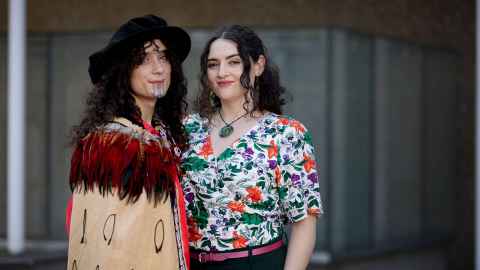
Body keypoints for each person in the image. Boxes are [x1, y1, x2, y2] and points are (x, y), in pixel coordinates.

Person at [181, 25, 323, 270]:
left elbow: (304, 224)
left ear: (258, 65)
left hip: (257, 263)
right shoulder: (187, 129)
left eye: (233, 62)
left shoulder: (286, 133)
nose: (221, 72)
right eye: (213, 64)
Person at [66, 15, 191, 270]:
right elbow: (100, 240)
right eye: (144, 59)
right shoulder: (113, 146)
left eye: (164, 57)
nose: (159, 68)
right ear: (124, 71)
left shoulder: (164, 134)